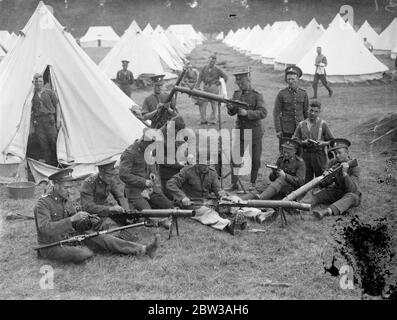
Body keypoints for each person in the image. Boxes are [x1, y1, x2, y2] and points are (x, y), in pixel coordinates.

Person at [33, 168, 160, 264]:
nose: (70, 190)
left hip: (71, 237)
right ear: (55, 185)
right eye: (66, 187)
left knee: (102, 237)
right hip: (52, 245)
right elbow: (45, 228)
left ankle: (144, 249)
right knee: (85, 253)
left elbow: (76, 223)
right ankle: (80, 248)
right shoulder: (43, 203)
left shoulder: (66, 199)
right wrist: (71, 219)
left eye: (70, 187)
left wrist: (86, 219)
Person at [166, 148, 243, 235]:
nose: (206, 167)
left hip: (208, 201)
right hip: (193, 204)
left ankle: (257, 215)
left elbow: (217, 189)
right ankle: (229, 225)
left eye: (208, 164)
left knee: (235, 200)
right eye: (204, 164)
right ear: (197, 161)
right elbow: (170, 184)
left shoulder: (212, 172)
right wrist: (182, 197)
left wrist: (222, 196)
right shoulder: (187, 171)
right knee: (207, 213)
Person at [119, 131, 173, 229]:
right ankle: (135, 206)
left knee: (169, 206)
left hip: (150, 189)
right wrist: (143, 181)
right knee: (151, 215)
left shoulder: (147, 149)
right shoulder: (129, 153)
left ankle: (147, 205)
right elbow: (123, 175)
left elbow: (150, 163)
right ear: (144, 141)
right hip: (135, 191)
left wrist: (152, 173)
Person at [226, 70, 267, 191]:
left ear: (248, 80)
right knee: (235, 158)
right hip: (240, 131)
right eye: (238, 82)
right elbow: (232, 112)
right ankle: (234, 183)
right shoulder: (237, 94)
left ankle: (252, 183)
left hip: (254, 132)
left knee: (255, 159)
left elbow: (263, 112)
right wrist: (230, 108)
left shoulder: (257, 95)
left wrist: (247, 113)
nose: (240, 85)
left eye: (242, 82)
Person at [302, 138, 361, 220]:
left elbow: (352, 189)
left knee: (352, 197)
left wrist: (345, 174)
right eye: (335, 153)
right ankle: (301, 206)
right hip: (336, 191)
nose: (337, 156)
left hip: (349, 194)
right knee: (315, 191)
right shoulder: (333, 162)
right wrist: (325, 177)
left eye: (339, 153)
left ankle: (326, 212)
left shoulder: (354, 167)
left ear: (347, 153)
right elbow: (325, 184)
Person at [80, 158, 136, 239]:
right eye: (109, 175)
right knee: (112, 227)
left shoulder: (110, 180)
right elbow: (88, 207)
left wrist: (127, 212)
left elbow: (120, 196)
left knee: (130, 218)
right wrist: (110, 209)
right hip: (93, 214)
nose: (112, 178)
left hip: (107, 209)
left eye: (112, 175)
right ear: (101, 173)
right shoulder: (88, 184)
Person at [240, 138, 305, 200]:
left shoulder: (299, 163)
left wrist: (285, 176)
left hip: (291, 189)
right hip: (277, 186)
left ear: (295, 151)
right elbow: (272, 178)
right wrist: (274, 172)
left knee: (281, 179)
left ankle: (261, 199)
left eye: (289, 151)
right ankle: (239, 200)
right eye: (284, 150)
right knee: (263, 186)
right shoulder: (281, 159)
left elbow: (300, 182)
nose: (285, 153)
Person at [293, 100, 334, 183]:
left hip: (319, 155)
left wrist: (323, 143)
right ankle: (306, 195)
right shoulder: (301, 125)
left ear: (319, 112)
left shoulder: (322, 124)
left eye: (316, 111)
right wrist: (303, 142)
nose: (313, 113)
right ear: (308, 110)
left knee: (322, 179)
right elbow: (294, 140)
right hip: (305, 155)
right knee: (306, 179)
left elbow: (332, 141)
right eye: (311, 110)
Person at [30, 73, 61, 166]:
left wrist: (58, 119)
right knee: (43, 143)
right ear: (33, 83)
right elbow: (29, 109)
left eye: (40, 81)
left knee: (54, 141)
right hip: (39, 122)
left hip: (50, 120)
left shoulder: (50, 92)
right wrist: (33, 121)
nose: (38, 83)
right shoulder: (32, 95)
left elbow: (57, 105)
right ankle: (49, 163)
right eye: (36, 82)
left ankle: (57, 163)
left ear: (43, 82)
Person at [274, 66, 309, 146]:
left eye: (293, 79)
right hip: (286, 129)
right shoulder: (282, 94)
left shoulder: (303, 93)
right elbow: (276, 113)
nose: (290, 81)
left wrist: (307, 128)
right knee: (286, 152)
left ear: (298, 79)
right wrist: (278, 130)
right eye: (288, 79)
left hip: (300, 128)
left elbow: (306, 112)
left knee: (300, 151)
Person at [157, 116, 187, 200]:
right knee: (171, 198)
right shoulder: (160, 135)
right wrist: (178, 164)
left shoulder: (179, 131)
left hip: (181, 172)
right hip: (167, 173)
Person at [195, 54, 228, 125]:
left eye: (213, 61)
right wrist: (197, 86)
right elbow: (200, 78)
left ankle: (213, 120)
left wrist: (219, 82)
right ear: (208, 60)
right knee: (202, 103)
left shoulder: (218, 69)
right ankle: (203, 120)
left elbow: (225, 77)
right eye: (210, 61)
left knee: (214, 104)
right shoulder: (204, 68)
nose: (211, 62)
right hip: (205, 88)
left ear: (215, 62)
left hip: (213, 88)